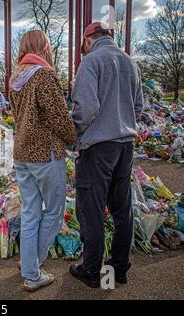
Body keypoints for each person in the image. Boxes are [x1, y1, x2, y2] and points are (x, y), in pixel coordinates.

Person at [70, 22, 144, 288]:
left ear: (88, 39)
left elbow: (86, 109)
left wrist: (74, 131)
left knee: (92, 210)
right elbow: (139, 106)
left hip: (98, 147)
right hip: (126, 146)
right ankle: (119, 269)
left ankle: (91, 270)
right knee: (122, 210)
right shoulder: (130, 63)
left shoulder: (91, 62)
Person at [9, 30, 77, 292]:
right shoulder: (44, 75)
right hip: (44, 154)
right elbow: (59, 117)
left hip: (22, 153)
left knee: (30, 212)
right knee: (55, 211)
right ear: (43, 47)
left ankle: (28, 264)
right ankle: (32, 269)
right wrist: (72, 138)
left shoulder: (16, 77)